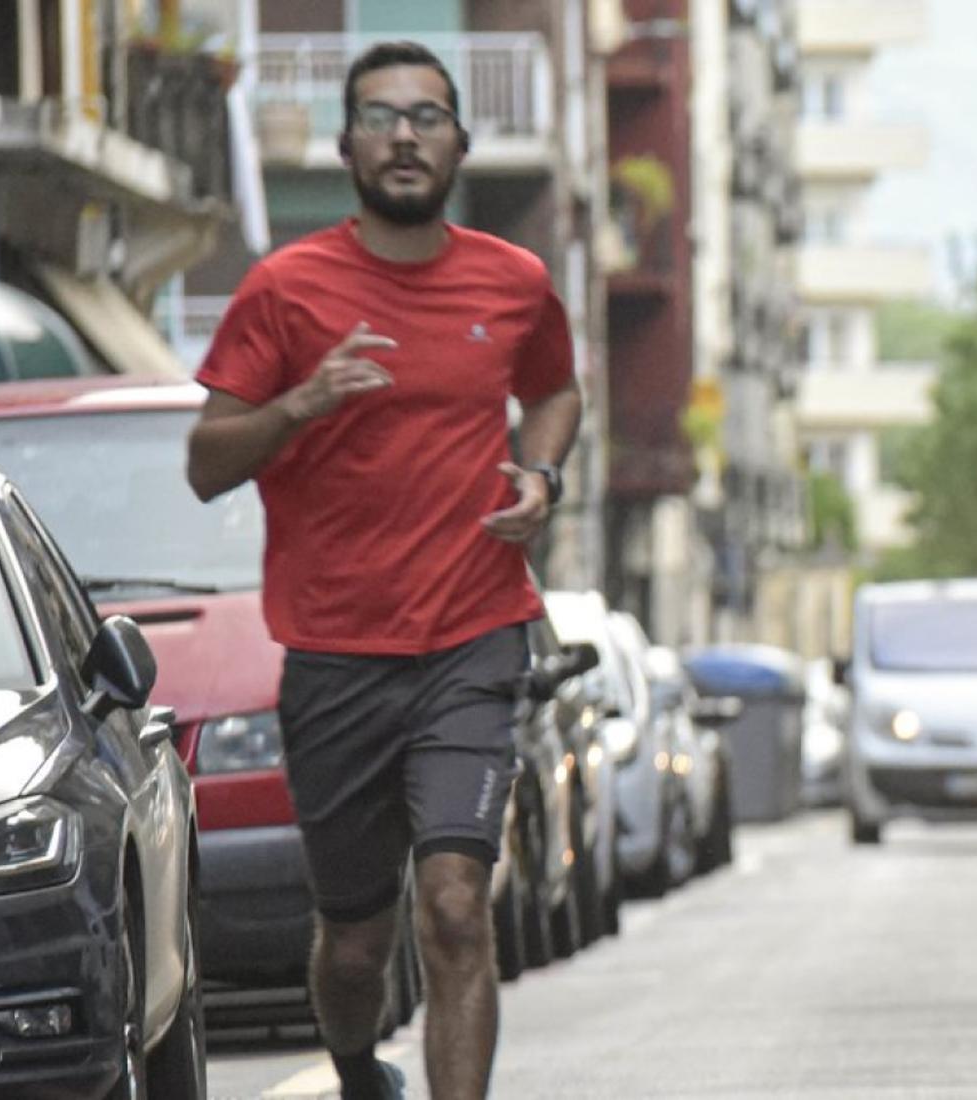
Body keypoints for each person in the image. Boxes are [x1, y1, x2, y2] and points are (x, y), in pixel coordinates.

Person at [184, 40, 583, 1100]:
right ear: (347, 145)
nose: (405, 137)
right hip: (336, 655)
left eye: (426, 118)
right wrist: (299, 404)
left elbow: (555, 389)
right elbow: (206, 464)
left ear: (460, 142)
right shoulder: (285, 290)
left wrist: (542, 472)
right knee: (355, 944)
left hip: (473, 638)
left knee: (455, 906)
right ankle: (361, 1072)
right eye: (380, 117)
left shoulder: (515, 281)